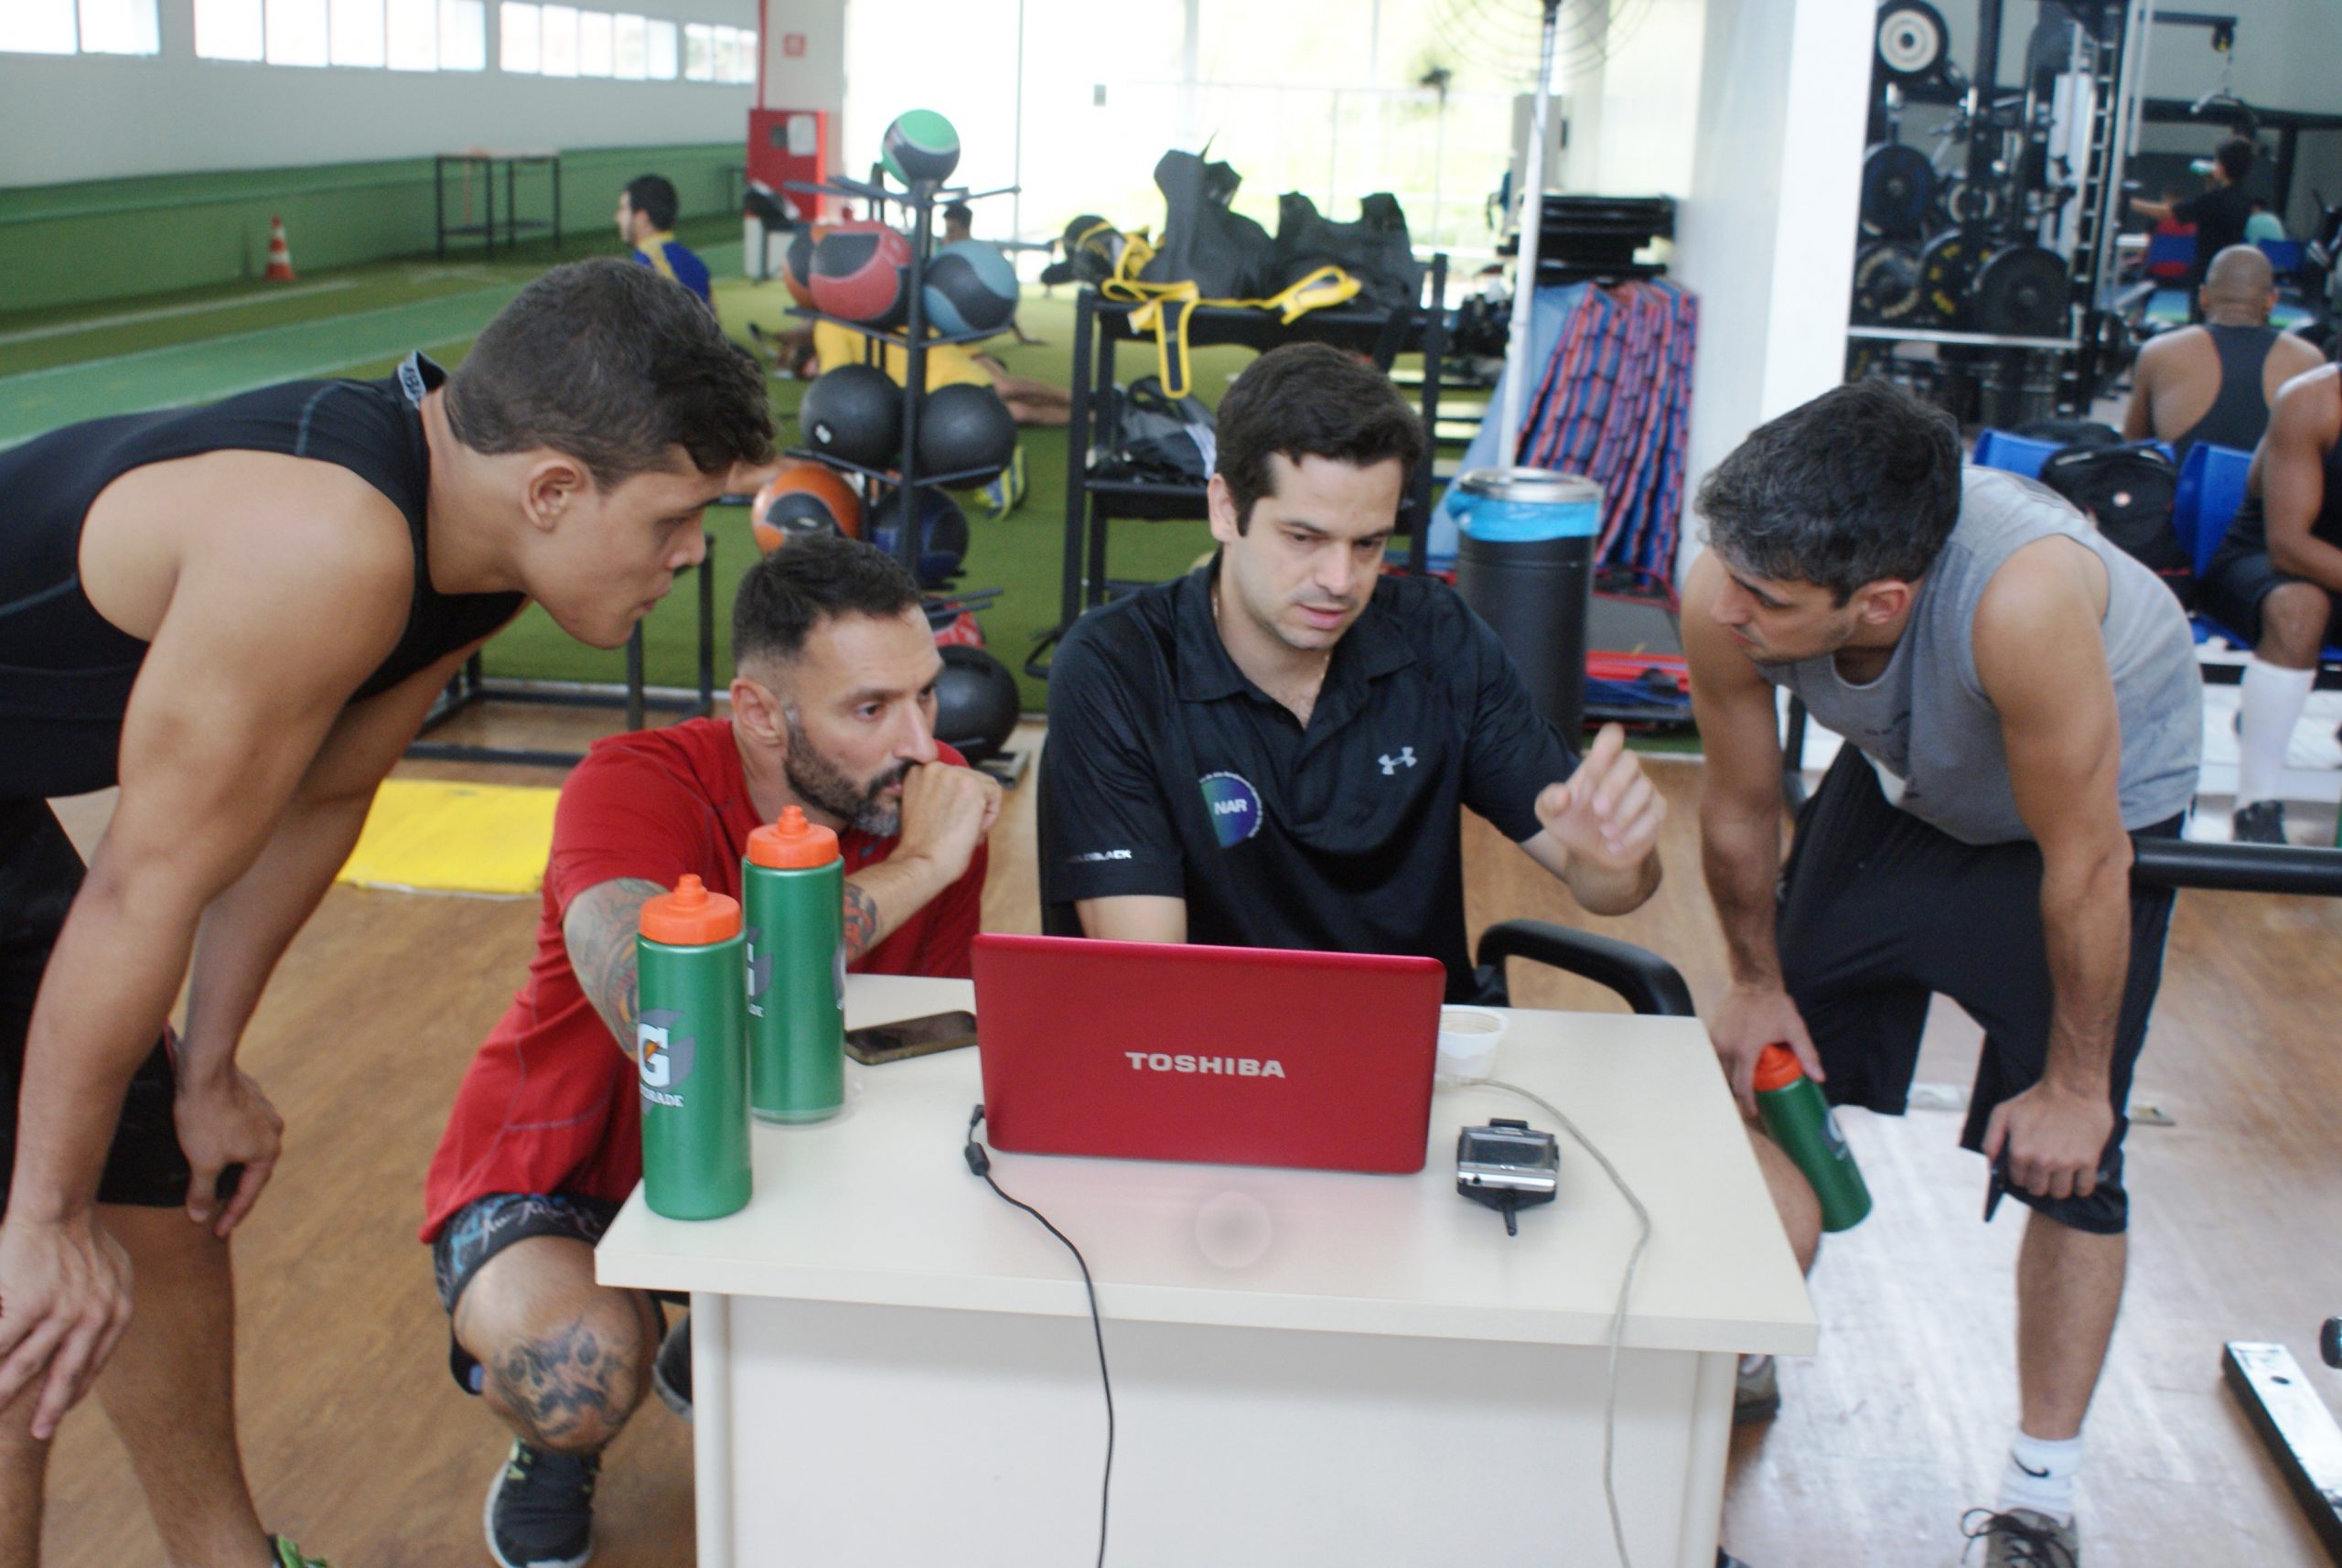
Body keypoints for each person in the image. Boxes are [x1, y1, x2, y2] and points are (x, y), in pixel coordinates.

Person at [0, 258, 772, 1568]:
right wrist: (38, 1219)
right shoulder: (328, 543)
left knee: (151, 1174)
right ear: (550, 487)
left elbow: (317, 797)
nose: (694, 553)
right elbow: (145, 878)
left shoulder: (471, 542)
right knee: (27, 1275)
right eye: (675, 517)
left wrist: (216, 1061)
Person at [1684, 381, 2200, 1567]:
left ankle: (2038, 1495)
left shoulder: (2022, 600)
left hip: (2089, 817)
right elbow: (1741, 803)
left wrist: (2075, 1081)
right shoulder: (1733, 579)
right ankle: (1749, 1333)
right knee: (1768, 1067)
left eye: (1770, 601)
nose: (1733, 609)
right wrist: (1756, 980)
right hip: (1913, 783)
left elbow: (2085, 859)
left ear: (1882, 600)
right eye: (1734, 576)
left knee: (2076, 1162)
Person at [421, 534, 995, 1568]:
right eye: (871, 709)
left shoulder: (918, 792)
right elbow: (672, 1018)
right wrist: (916, 868)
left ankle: (718, 1325)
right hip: (571, 1165)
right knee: (577, 1362)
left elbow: (919, 1029)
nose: (920, 742)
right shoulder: (632, 782)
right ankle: (555, 1454)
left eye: (928, 696)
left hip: (785, 1139)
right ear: (762, 713)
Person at [1039, 342, 1664, 998]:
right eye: (1303, 539)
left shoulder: (1439, 639)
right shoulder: (1118, 666)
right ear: (1225, 509)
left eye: (1368, 544)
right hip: (1214, 1049)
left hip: (1417, 1056)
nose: (1339, 582)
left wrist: (1613, 862)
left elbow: (1608, 888)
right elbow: (1147, 977)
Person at [2196, 363, 2342, 843]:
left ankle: (2268, 711)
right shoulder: (2312, 400)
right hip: (2266, 565)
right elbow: (2289, 544)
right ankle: (2255, 804)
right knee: (2301, 609)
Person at [2122, 244, 2322, 464]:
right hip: (2269, 495)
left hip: (2179, 494)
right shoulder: (2307, 359)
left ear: (2204, 296)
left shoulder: (2158, 352)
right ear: (2272, 300)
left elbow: (2134, 447)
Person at [2132, 137, 2257, 300]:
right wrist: (2211, 187)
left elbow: (2167, 213)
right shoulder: (2244, 200)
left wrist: (2130, 201)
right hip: (2230, 271)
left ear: (2221, 167)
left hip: (2207, 271)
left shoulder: (2213, 200)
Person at [616, 173, 714, 310]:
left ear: (642, 218)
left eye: (623, 209)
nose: (617, 217)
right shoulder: (693, 262)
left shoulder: (649, 267)